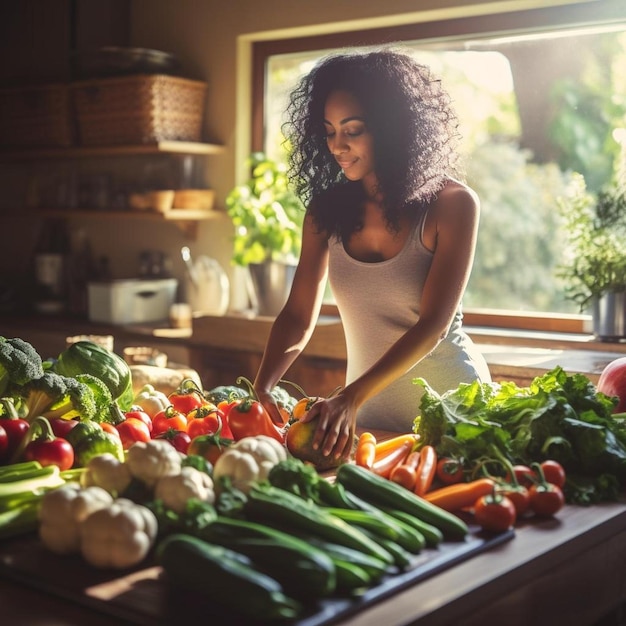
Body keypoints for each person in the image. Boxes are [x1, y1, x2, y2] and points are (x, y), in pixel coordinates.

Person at [253, 47, 491, 462]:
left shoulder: (453, 205)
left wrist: (349, 396)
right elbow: (297, 314)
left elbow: (432, 325)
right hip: (365, 420)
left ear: (393, 129)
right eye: (329, 131)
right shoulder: (326, 212)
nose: (337, 146)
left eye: (353, 130)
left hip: (453, 414)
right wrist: (263, 385)